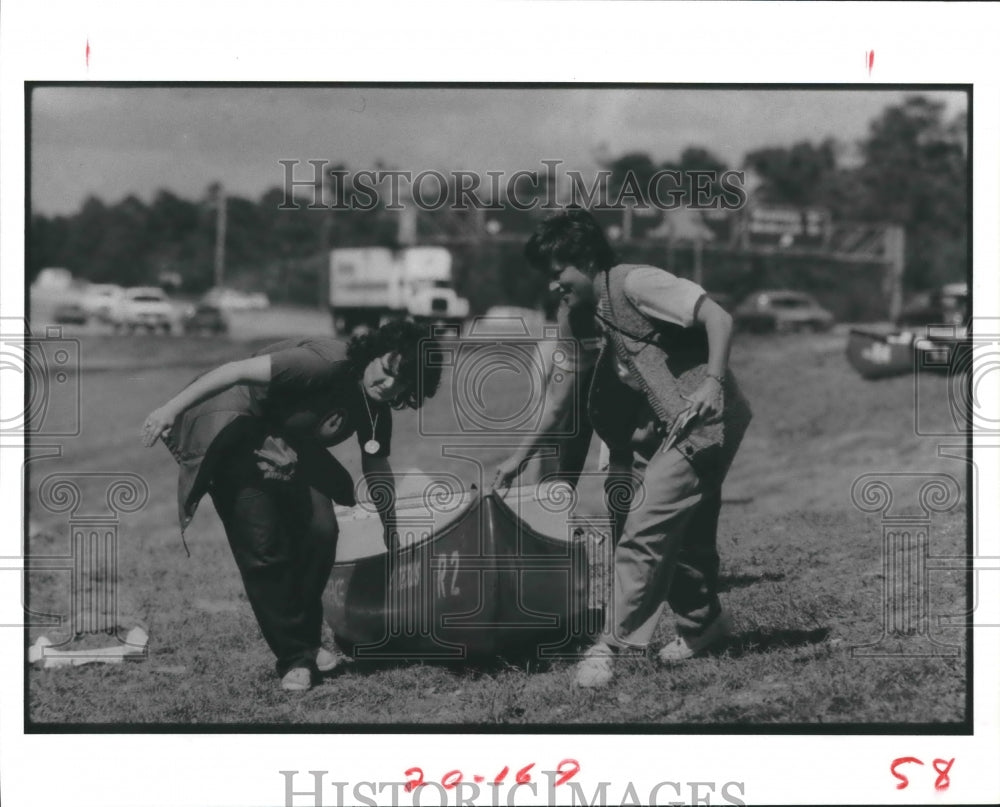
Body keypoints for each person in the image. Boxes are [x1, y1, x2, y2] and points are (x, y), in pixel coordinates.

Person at [497, 209, 752, 688]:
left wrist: (713, 382)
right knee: (682, 538)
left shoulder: (637, 284)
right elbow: (558, 402)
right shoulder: (575, 315)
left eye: (558, 273)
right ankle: (704, 625)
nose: (553, 285)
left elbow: (718, 316)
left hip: (704, 421)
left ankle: (611, 646)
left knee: (643, 525)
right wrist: (519, 457)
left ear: (587, 258)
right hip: (653, 428)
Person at [141, 320, 442, 692]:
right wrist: (168, 409)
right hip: (236, 427)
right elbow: (234, 371)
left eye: (403, 383)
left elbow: (376, 463)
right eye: (387, 370)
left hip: (289, 444)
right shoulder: (325, 363)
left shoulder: (376, 410)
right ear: (375, 353)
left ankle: (306, 640)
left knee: (322, 530)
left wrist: (391, 526)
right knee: (262, 547)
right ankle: (294, 657)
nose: (389, 384)